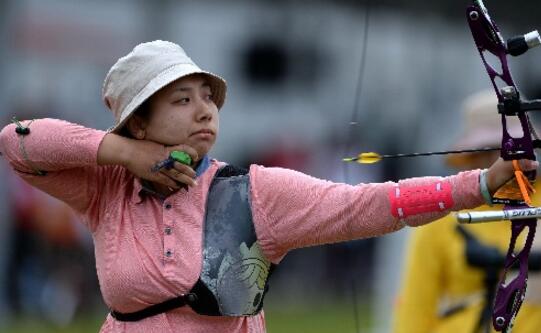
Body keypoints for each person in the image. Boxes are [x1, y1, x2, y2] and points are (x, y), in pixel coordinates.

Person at [0, 40, 535, 333]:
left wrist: (480, 185)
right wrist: (124, 153)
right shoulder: (106, 189)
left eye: (207, 97)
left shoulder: (254, 192)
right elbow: (18, 143)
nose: (205, 110)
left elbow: (372, 204)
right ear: (138, 122)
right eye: (182, 100)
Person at [392, 90, 541, 333]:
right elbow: (415, 313)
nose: (505, 160)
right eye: (493, 150)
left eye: (514, 148)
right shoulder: (440, 218)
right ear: (472, 157)